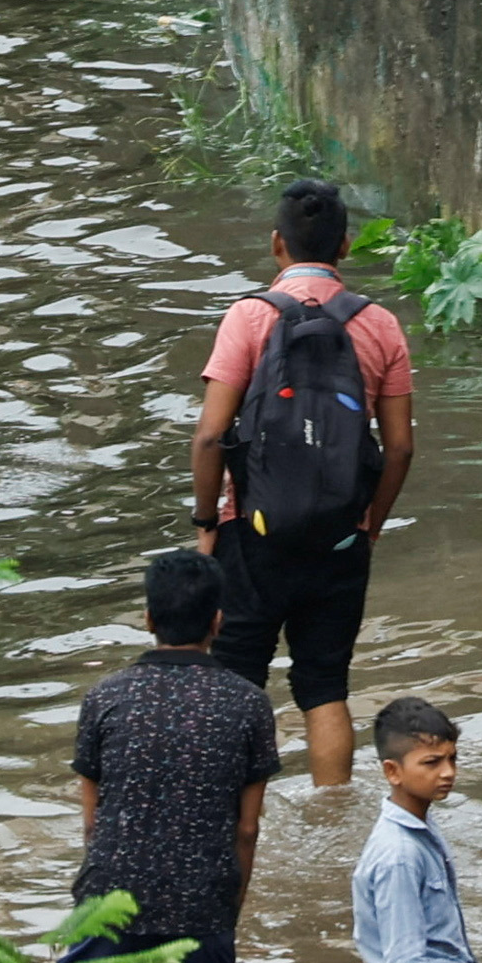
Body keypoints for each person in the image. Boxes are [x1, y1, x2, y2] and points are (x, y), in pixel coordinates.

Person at [185, 181, 418, 789]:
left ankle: (231, 814)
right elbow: (399, 447)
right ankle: (332, 816)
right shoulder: (380, 325)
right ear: (345, 244)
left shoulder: (249, 316)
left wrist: (208, 524)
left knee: (234, 681)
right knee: (324, 685)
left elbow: (210, 438)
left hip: (251, 532)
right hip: (340, 536)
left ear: (276, 245)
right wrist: (370, 524)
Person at [63, 545, 282, 963]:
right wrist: (227, 906)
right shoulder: (246, 704)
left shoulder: (104, 698)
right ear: (218, 620)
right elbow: (247, 829)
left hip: (111, 890)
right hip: (202, 895)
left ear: (147, 618)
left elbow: (91, 819)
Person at [354, 698, 478, 963]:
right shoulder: (400, 855)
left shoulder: (420, 825)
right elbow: (405, 962)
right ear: (393, 771)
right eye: (431, 763)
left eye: (452, 758)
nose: (448, 773)